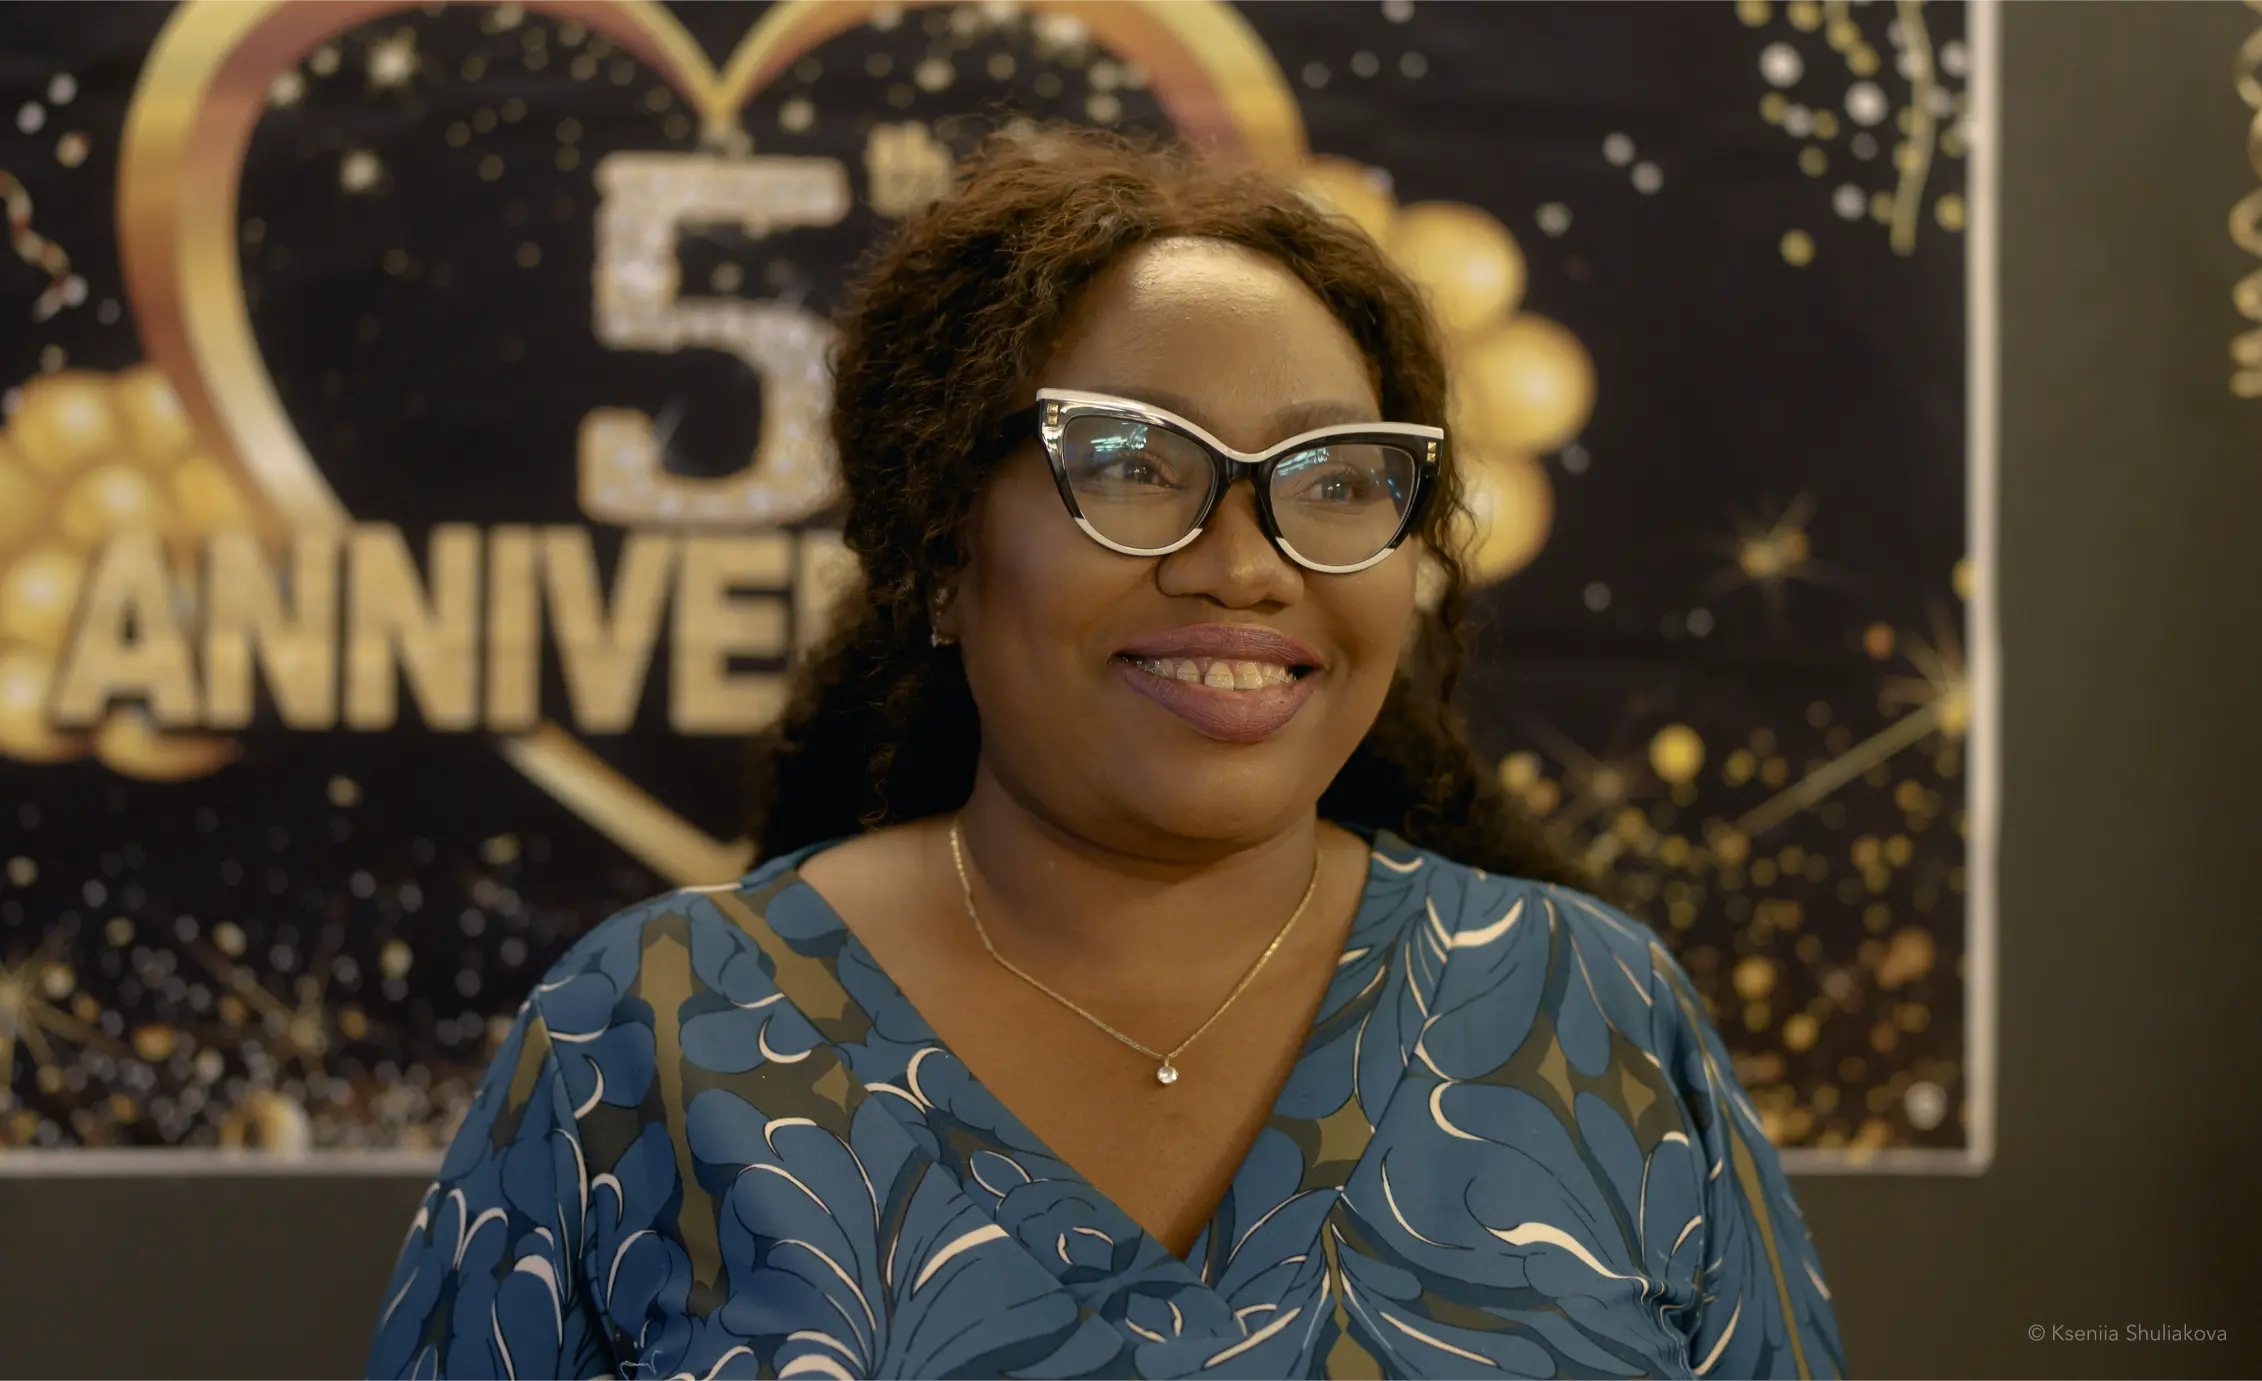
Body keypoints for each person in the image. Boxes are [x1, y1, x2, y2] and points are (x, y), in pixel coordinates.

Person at [365, 127, 1844, 1381]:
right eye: (1131, 464)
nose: (1245, 565)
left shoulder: (1597, 1017)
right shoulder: (652, 1035)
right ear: (942, 548)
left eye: (1336, 480)